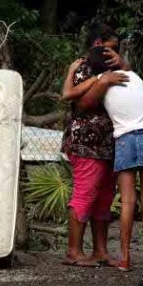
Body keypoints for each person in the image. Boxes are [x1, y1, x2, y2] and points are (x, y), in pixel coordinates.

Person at [76, 40, 143, 273]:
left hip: (124, 138)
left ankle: (124, 259)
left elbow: (81, 102)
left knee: (127, 201)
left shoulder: (100, 83)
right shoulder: (136, 77)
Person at [59, 23, 130, 267]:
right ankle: (74, 252)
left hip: (109, 142)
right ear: (98, 44)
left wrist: (119, 66)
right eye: (111, 48)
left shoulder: (113, 67)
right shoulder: (84, 67)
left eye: (116, 50)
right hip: (86, 142)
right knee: (85, 194)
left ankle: (100, 251)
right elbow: (81, 104)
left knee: (104, 197)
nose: (113, 53)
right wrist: (103, 81)